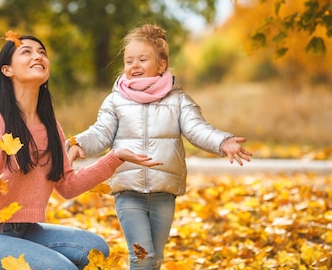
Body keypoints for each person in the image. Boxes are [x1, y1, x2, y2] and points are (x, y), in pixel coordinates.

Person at [0, 33, 159, 270]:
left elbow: (68, 186)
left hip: (27, 231)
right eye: (27, 52)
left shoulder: (50, 126)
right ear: (7, 70)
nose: (38, 56)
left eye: (42, 52)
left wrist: (115, 158)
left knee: (95, 250)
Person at [67, 23, 253, 270]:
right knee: (141, 257)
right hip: (128, 191)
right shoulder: (116, 101)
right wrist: (79, 143)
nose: (134, 66)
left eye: (142, 59)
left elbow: (197, 129)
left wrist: (222, 141)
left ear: (161, 65)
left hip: (164, 193)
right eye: (129, 61)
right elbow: (101, 132)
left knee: (154, 259)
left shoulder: (178, 100)